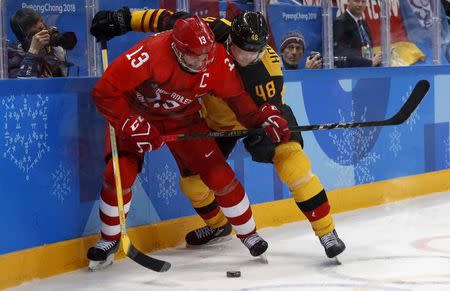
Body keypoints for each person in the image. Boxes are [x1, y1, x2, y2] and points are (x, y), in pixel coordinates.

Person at [90, 8, 345, 259]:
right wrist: (123, 18)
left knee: (292, 164)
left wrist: (268, 119)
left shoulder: (267, 72)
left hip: (254, 114)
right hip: (215, 121)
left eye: (253, 54)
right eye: (241, 51)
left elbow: (261, 109)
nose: (246, 58)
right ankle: (218, 226)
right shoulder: (211, 31)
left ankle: (326, 232)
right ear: (230, 38)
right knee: (193, 184)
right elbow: (168, 19)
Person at [8, 8, 77, 78]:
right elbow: (23, 87)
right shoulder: (14, 59)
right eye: (35, 34)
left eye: (43, 29)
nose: (41, 39)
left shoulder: (54, 53)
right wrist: (32, 52)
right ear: (23, 39)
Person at [333, 0, 382, 68]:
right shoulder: (340, 23)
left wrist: (378, 58)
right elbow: (342, 54)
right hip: (350, 73)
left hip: (367, 70)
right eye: (357, 1)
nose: (360, 4)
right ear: (348, 1)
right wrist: (369, 63)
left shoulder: (364, 24)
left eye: (363, 1)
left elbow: (366, 49)